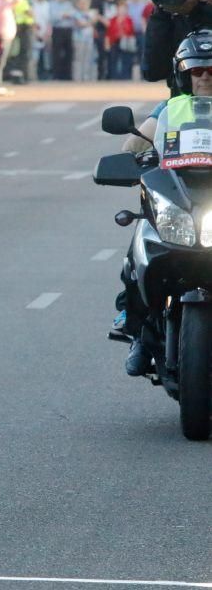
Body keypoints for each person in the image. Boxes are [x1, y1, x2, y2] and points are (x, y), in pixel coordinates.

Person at [117, 30, 212, 375]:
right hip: (180, 196)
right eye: (197, 71)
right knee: (139, 249)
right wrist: (135, 158)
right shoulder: (171, 107)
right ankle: (140, 333)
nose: (204, 77)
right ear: (184, 75)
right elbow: (133, 146)